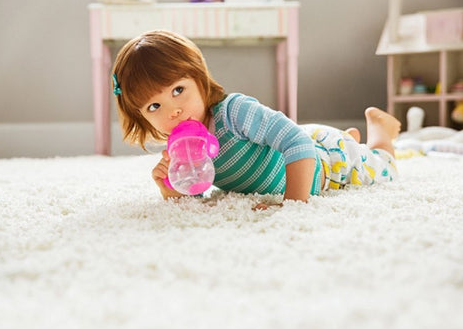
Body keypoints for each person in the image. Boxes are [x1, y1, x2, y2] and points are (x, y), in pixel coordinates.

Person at [111, 30, 400, 209]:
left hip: (328, 165)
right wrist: (173, 189)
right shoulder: (182, 147)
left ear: (199, 78)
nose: (172, 111)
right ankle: (349, 138)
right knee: (330, 141)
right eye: (154, 106)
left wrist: (292, 205)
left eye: (178, 90)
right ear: (141, 117)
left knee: (382, 168)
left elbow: (298, 143)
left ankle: (380, 131)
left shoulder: (233, 113)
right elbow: (198, 194)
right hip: (308, 144)